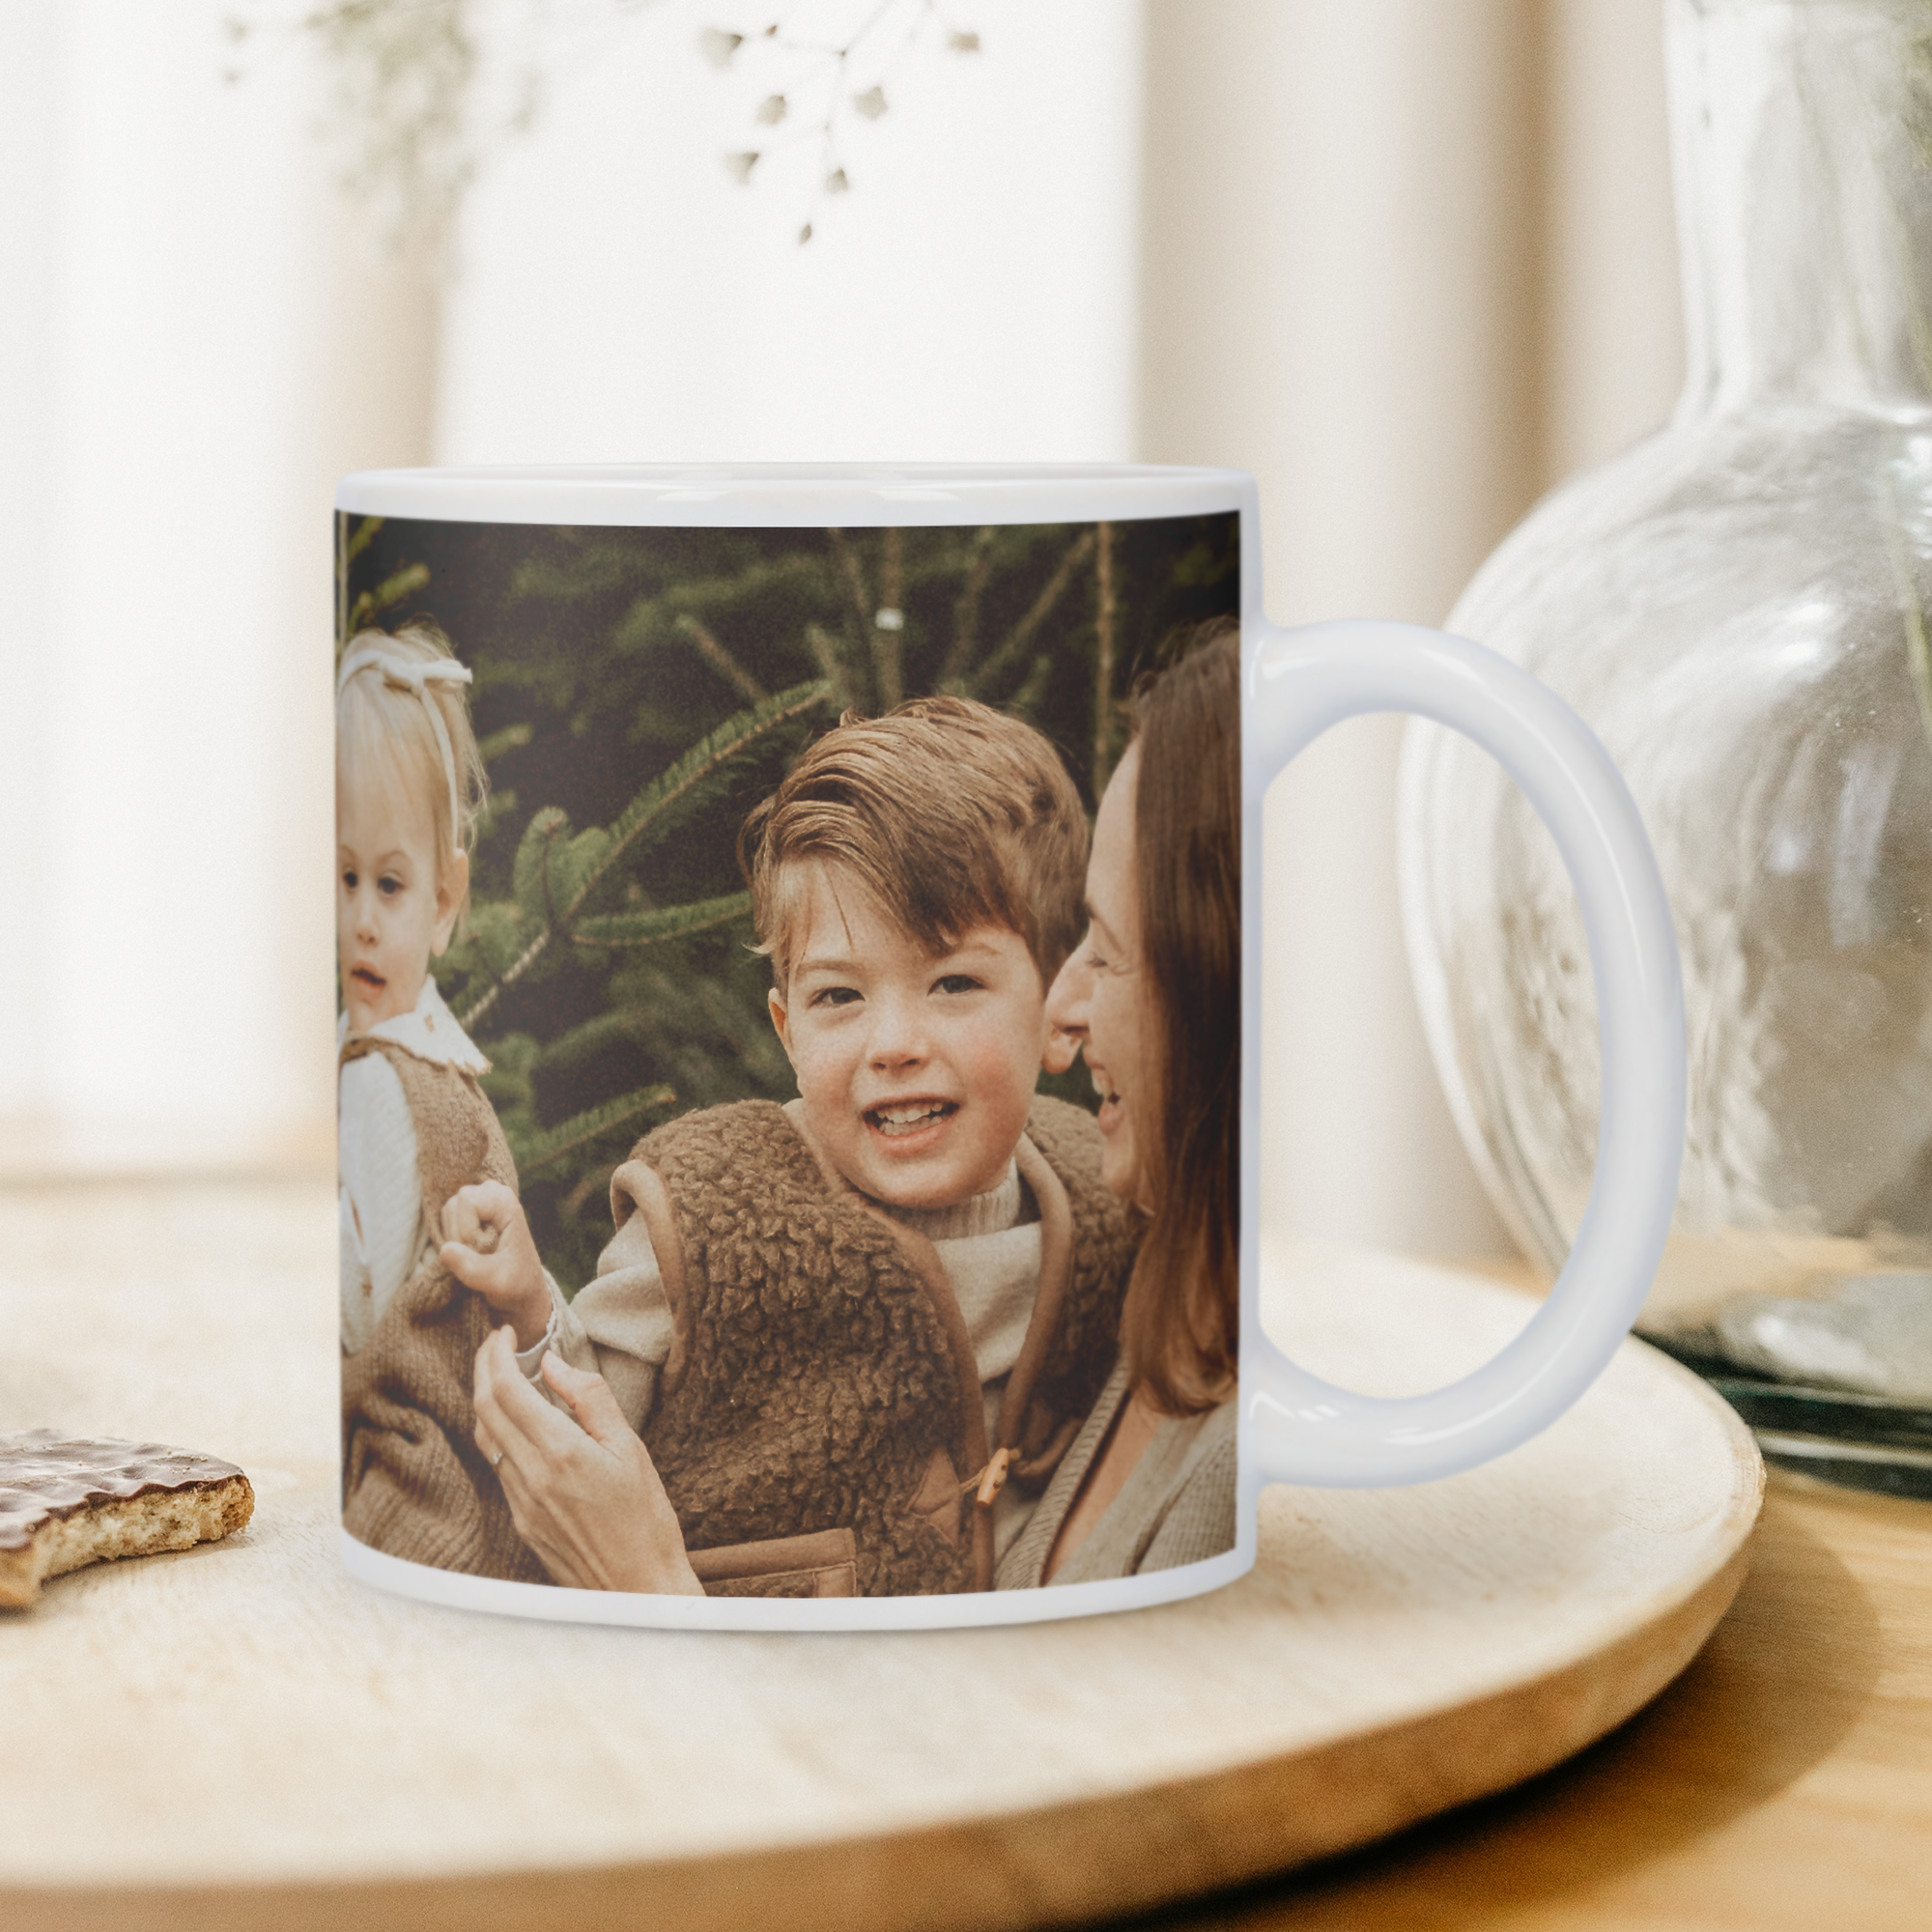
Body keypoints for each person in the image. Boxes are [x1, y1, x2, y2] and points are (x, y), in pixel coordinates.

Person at [445, 697, 1142, 1597]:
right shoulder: (711, 1221)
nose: (893, 1042)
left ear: (1057, 1003)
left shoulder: (1100, 1195)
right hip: (729, 1667)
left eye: (954, 982)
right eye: (839, 998)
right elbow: (574, 1453)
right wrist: (532, 1309)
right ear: (785, 1028)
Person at [997, 623, 1241, 1587]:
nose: (1057, 1011)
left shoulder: (1253, 1462)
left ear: (1216, 982)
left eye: (1102, 947)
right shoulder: (1148, 1291)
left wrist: (653, 1582)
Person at [335, 624, 547, 1584]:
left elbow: (361, 1311)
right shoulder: (428, 1059)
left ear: (445, 897)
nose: (361, 920)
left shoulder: (384, 1082)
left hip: (419, 1450)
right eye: (339, 879)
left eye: (389, 883)